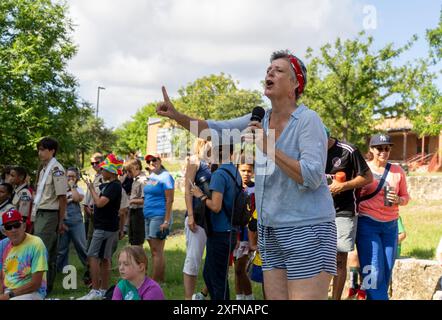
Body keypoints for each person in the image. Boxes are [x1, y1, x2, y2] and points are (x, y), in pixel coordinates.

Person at [157, 49, 337, 299]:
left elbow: (312, 176)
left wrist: (268, 147)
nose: (269, 72)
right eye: (268, 70)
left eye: (278, 70)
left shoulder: (308, 120)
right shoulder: (261, 118)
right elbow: (214, 130)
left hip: (307, 229)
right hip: (270, 229)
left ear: (295, 83)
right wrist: (178, 117)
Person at [356, 133, 410, 300]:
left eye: (387, 148)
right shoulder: (363, 168)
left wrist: (399, 199)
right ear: (371, 149)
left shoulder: (397, 171)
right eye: (379, 148)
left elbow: (406, 197)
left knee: (386, 270)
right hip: (367, 224)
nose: (383, 151)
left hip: (390, 226)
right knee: (373, 269)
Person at [325, 129, 373, 300]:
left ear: (327, 137)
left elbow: (368, 177)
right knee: (318, 259)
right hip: (317, 213)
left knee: (339, 258)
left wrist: (343, 186)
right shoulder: (309, 150)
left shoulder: (348, 150)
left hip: (343, 212)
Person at [190, 142, 241, 300]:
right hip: (230, 231)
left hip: (220, 233)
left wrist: (200, 195)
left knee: (216, 279)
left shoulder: (220, 174)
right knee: (212, 275)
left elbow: (216, 206)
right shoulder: (234, 171)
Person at [78, 154, 124, 300]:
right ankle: (103, 290)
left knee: (93, 256)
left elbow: (100, 203)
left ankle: (96, 290)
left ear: (111, 171)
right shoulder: (110, 185)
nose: (101, 170)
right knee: (104, 258)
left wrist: (91, 188)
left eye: (103, 168)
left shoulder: (114, 186)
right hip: (105, 226)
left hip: (104, 228)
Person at [32, 137, 67, 294]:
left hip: (50, 214)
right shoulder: (44, 169)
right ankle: (45, 286)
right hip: (40, 212)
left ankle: (42, 287)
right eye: (39, 149)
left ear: (52, 151)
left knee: (42, 251)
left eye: (43, 149)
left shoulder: (56, 169)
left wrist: (61, 220)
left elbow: (62, 197)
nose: (40, 152)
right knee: (45, 251)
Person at [183, 138, 212, 300]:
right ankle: (188, 299)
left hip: (213, 217)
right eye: (208, 139)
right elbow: (187, 189)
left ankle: (202, 293)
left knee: (213, 259)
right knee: (193, 259)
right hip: (198, 217)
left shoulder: (215, 162)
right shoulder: (195, 161)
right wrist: (191, 215)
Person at [0, 209, 48, 300]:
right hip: (8, 292)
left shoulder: (36, 243)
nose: (13, 230)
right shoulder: (2, 245)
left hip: (33, 292)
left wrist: (7, 296)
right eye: (8, 227)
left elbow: (36, 283)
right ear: (5, 231)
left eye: (16, 225)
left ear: (24, 226)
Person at [143, 154, 174, 283]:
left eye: (154, 160)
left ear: (160, 161)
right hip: (148, 216)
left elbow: (170, 199)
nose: (152, 162)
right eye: (149, 161)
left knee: (157, 252)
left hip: (159, 216)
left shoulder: (166, 177)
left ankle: (154, 284)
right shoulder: (152, 176)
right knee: (155, 251)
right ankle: (160, 280)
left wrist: (166, 221)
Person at [56, 167, 88, 272]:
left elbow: (76, 198)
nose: (70, 178)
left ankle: (89, 267)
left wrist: (72, 186)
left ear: (76, 178)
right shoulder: (60, 190)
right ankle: (60, 269)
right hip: (63, 221)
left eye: (73, 176)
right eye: (68, 176)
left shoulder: (78, 189)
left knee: (81, 246)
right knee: (62, 248)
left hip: (76, 222)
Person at [233, 161, 255, 300]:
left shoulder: (255, 188)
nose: (246, 174)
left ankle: (249, 297)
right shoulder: (234, 186)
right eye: (243, 170)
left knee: (240, 269)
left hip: (248, 232)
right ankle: (239, 297)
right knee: (237, 270)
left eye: (249, 171)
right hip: (235, 230)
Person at [83, 153, 104, 249]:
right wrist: (85, 206)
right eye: (92, 163)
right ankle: (89, 261)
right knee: (89, 236)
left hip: (98, 211)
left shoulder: (104, 177)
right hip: (89, 210)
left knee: (96, 239)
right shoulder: (94, 176)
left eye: (97, 162)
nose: (94, 165)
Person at [124, 158, 146, 246]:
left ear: (136, 167)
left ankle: (138, 258)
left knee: (137, 241)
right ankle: (134, 258)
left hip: (139, 213)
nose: (128, 174)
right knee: (132, 240)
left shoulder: (143, 180)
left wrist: (131, 201)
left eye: (129, 171)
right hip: (133, 211)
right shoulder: (135, 180)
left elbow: (145, 200)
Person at [9, 166, 33, 233]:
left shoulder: (24, 193)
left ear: (21, 177)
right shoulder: (16, 190)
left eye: (12, 176)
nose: (10, 178)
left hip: (16, 227)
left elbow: (23, 216)